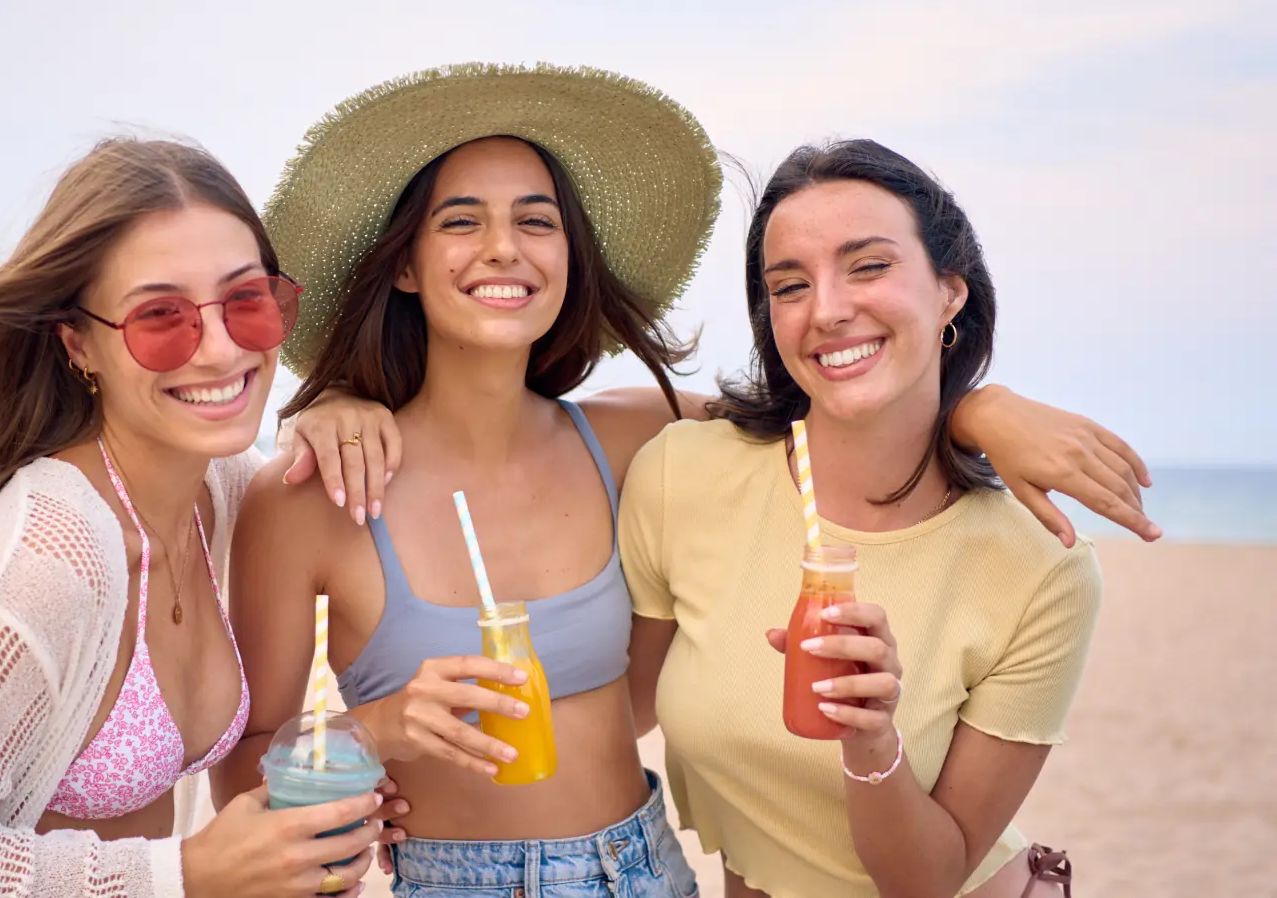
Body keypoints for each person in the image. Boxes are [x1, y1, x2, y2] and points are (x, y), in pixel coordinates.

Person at [220, 64, 1150, 898]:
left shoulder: (638, 438)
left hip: (647, 868)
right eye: (460, 220)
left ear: (568, 259)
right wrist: (379, 728)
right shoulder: (309, 494)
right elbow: (244, 774)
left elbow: (837, 404)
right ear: (407, 265)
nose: (503, 247)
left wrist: (979, 410)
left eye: (536, 221)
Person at [0, 137, 404, 898]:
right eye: (160, 316)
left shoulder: (221, 494)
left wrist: (331, 410)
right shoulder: (46, 559)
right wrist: (189, 872)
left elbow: (283, 476)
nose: (222, 347)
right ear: (78, 344)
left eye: (247, 301)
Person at [619, 139, 1101, 897]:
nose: (829, 310)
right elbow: (617, 718)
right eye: (789, 286)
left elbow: (929, 879)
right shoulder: (685, 474)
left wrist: (872, 740)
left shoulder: (1041, 568)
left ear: (950, 291)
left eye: (869, 266)